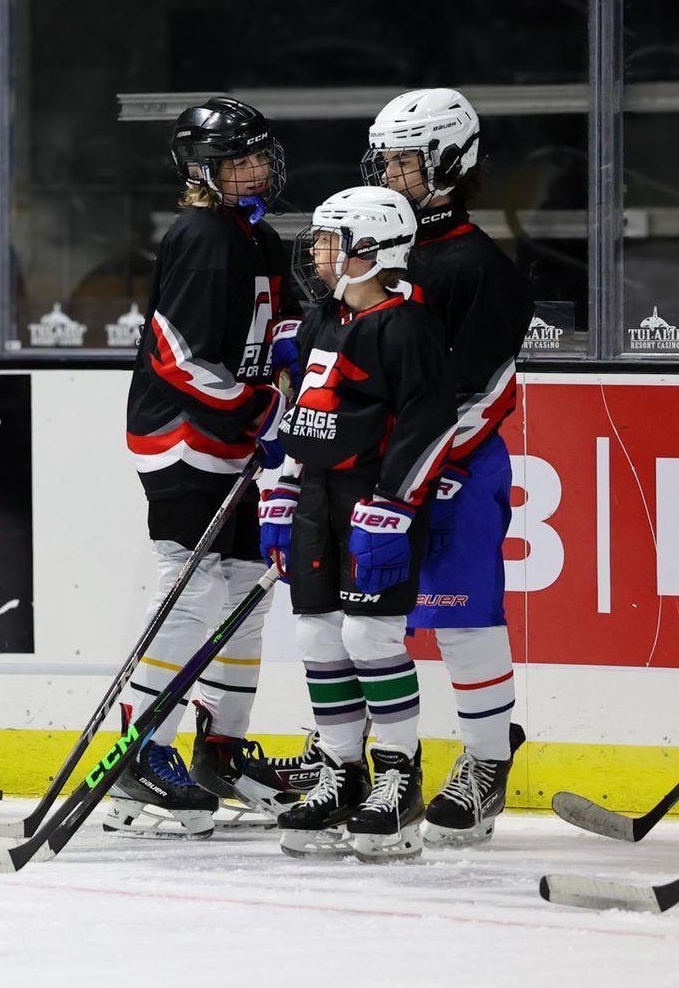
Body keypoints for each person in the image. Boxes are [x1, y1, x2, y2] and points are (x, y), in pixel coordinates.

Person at [117, 96, 309, 838]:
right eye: (240, 159)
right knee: (193, 592)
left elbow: (275, 319)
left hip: (232, 437)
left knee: (244, 596)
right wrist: (251, 406)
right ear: (203, 170)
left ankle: (219, 750)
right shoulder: (202, 234)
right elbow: (180, 355)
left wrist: (289, 353)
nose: (257, 168)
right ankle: (143, 745)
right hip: (183, 438)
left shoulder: (255, 237)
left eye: (261, 155)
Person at [364, 88, 533, 846]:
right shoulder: (380, 256)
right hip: (385, 474)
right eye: (386, 159)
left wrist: (414, 468)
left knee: (463, 616)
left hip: (456, 469)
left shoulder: (477, 266)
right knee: (362, 623)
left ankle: (489, 758)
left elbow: (482, 391)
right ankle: (366, 759)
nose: (390, 173)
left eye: (405, 160)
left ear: (449, 162)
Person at [270, 186, 456, 862]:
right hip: (320, 494)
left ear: (371, 251)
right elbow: (306, 413)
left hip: (376, 500)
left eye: (330, 239)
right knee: (317, 632)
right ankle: (342, 773)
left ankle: (398, 776)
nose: (317, 251)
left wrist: (394, 507)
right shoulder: (322, 317)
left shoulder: (407, 326)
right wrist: (285, 489)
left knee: (370, 632)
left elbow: (432, 423)